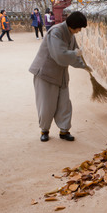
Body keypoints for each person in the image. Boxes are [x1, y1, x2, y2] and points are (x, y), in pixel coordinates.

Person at [28, 11, 91, 142]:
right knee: (46, 105)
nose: (79, 31)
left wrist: (84, 66)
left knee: (64, 104)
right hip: (45, 73)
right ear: (73, 25)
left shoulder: (71, 35)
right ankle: (44, 130)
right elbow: (60, 55)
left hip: (61, 74)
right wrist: (74, 54)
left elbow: (74, 55)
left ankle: (64, 130)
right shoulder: (55, 32)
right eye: (79, 28)